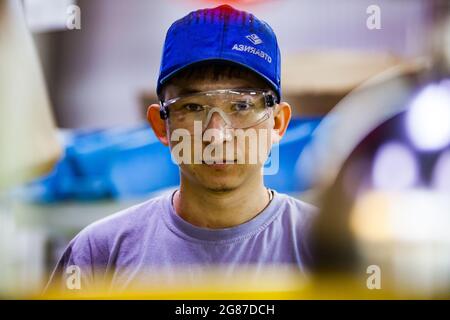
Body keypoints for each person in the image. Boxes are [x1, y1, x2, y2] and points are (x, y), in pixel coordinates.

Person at [47, 4, 317, 293]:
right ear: (161, 125)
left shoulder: (324, 248)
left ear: (277, 122)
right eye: (193, 107)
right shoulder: (100, 254)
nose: (217, 135)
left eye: (241, 106)